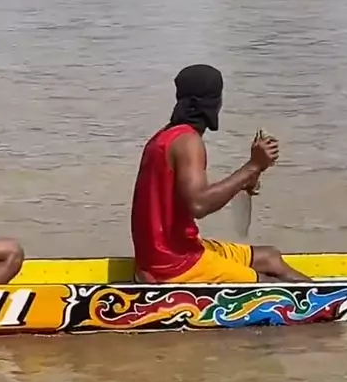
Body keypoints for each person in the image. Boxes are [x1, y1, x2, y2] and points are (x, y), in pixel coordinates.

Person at [131, 64, 310, 284]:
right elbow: (199, 204)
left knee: (270, 257)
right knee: (269, 285)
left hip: (172, 250)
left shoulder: (165, 136)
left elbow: (187, 195)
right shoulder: (188, 142)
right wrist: (252, 166)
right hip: (174, 264)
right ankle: (333, 300)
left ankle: (326, 294)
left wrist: (252, 173)